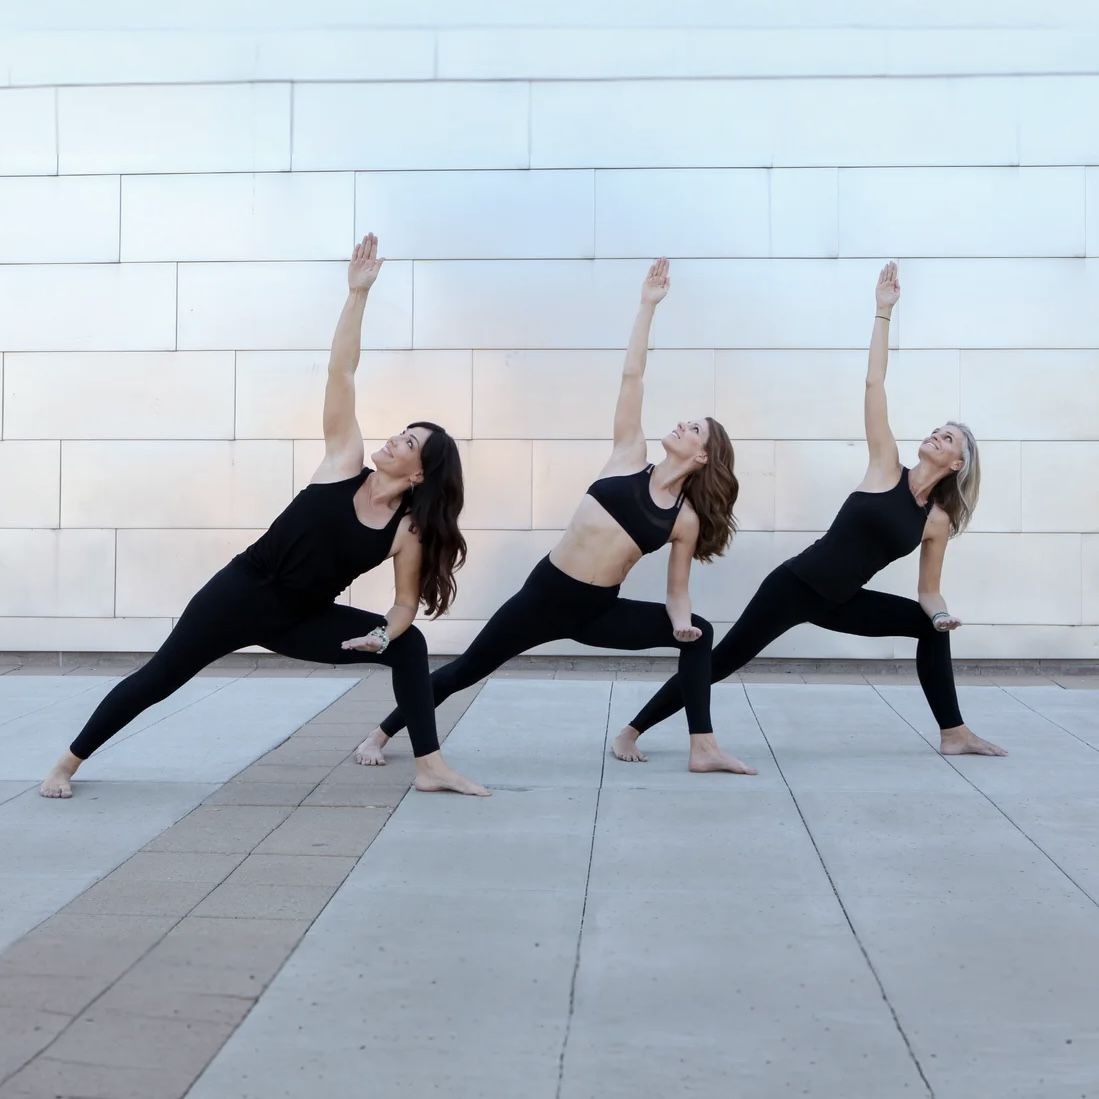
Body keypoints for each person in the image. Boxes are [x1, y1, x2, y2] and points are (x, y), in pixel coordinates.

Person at [40, 235, 488, 800]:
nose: (396, 439)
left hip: (301, 618)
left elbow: (403, 603)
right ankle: (65, 764)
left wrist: (382, 634)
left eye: (409, 442)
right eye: (401, 431)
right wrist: (357, 295)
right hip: (239, 594)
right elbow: (342, 373)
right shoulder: (342, 463)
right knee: (159, 678)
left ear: (420, 473)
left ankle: (430, 766)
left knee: (410, 645)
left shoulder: (408, 529)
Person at [355, 259, 754, 776]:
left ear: (702, 456)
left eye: (694, 429)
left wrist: (680, 624)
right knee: (468, 668)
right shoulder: (628, 456)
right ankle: (380, 733)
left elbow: (678, 592)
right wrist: (647, 306)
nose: (682, 425)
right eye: (687, 420)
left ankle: (689, 743)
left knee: (701, 631)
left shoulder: (684, 519)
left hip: (598, 610)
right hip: (544, 596)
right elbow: (632, 375)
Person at [614, 261, 1007, 769]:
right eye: (936, 430)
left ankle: (954, 733)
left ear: (956, 464)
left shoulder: (936, 521)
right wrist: (883, 312)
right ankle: (631, 730)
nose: (935, 435)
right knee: (724, 659)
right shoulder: (886, 466)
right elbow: (874, 385)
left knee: (930, 629)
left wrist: (940, 615)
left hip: (843, 601)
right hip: (796, 585)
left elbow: (929, 592)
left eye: (947, 438)